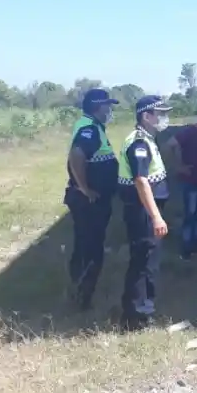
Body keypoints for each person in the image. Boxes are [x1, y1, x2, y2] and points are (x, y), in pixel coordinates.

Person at [117, 95, 172, 330]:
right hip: (144, 211)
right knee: (145, 263)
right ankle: (138, 316)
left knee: (145, 260)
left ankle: (135, 311)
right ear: (146, 116)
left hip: (146, 209)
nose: (163, 118)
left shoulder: (148, 139)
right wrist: (156, 216)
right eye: (159, 113)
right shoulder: (139, 143)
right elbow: (141, 180)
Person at [64, 88, 119, 311]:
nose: (110, 109)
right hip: (89, 202)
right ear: (98, 107)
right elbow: (77, 155)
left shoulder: (93, 126)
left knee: (84, 243)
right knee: (91, 248)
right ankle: (82, 296)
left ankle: (78, 287)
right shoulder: (89, 129)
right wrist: (85, 188)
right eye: (108, 105)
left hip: (92, 200)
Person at [167, 105, 197, 260]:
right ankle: (186, 247)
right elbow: (171, 144)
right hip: (190, 181)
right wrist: (179, 166)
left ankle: (196, 244)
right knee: (190, 213)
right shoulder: (188, 133)